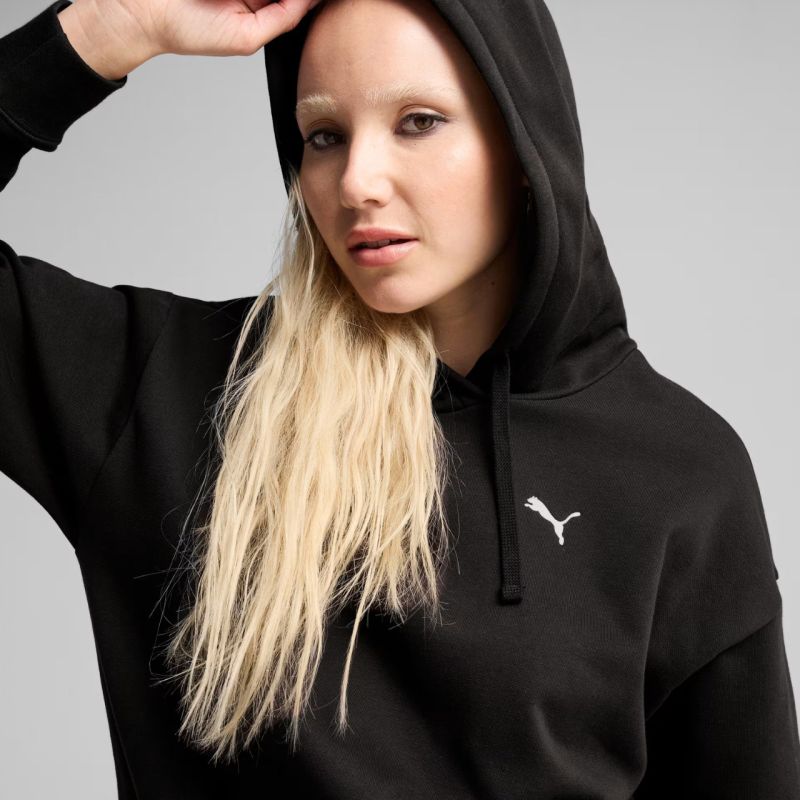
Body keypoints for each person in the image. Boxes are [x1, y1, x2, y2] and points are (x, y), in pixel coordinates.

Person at [1, 0, 798, 796]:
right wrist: (110, 25)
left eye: (418, 122)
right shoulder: (174, 390)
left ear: (523, 142)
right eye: (324, 136)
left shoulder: (677, 473)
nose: (356, 182)